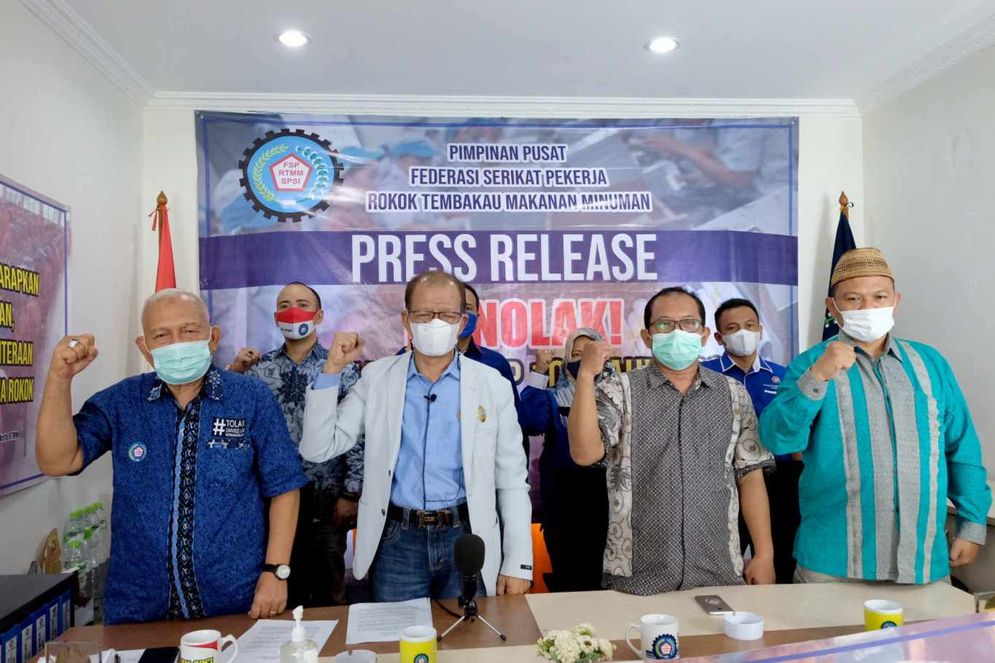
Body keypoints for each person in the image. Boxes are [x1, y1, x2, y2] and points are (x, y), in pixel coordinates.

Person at [36, 289, 306, 624]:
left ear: (212, 338)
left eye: (189, 331)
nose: (177, 343)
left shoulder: (250, 398)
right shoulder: (122, 402)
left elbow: (284, 485)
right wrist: (59, 378)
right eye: (161, 335)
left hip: (238, 600)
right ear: (145, 348)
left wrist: (276, 571)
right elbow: (59, 460)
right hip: (138, 607)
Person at [760, 248, 992, 584]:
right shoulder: (810, 364)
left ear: (896, 301)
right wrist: (818, 376)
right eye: (853, 299)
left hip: (922, 561)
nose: (868, 307)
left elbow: (961, 447)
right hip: (834, 565)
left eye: (879, 297)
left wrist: (972, 524)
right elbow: (778, 438)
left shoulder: (930, 364)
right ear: (832, 308)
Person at [300, 271, 533, 601]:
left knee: (468, 633)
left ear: (462, 321)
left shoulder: (491, 384)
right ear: (406, 320)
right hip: (397, 540)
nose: (435, 323)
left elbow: (512, 479)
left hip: (467, 538)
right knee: (399, 634)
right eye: (424, 314)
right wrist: (332, 370)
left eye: (447, 314)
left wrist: (519, 561)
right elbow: (318, 447)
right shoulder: (377, 377)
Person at [568, 286, 776, 594]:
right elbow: (584, 453)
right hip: (637, 576)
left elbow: (750, 476)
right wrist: (586, 376)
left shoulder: (733, 394)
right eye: (664, 324)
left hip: (718, 570)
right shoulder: (619, 390)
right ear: (647, 336)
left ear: (704, 335)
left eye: (688, 323)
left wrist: (764, 554)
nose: (677, 332)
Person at [230, 282, 363, 607]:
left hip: (326, 502)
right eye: (285, 305)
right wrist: (234, 371)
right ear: (276, 317)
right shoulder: (258, 371)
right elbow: (233, 425)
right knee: (279, 594)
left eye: (302, 304)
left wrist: (351, 493)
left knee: (328, 595)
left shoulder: (342, 368)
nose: (293, 311)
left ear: (318, 316)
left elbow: (358, 436)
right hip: (270, 503)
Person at [702, 298, 797, 583]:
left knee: (779, 561)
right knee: (721, 564)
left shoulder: (782, 375)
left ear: (760, 330)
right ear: (719, 337)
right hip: (723, 481)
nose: (743, 332)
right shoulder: (706, 375)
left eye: (749, 325)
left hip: (778, 479)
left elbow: (795, 429)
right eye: (732, 328)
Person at [520, 329, 609, 592]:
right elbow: (529, 422)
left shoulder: (618, 395)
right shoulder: (554, 397)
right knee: (568, 577)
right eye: (577, 354)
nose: (584, 360)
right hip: (563, 502)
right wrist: (540, 370)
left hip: (608, 497)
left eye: (590, 353)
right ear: (568, 358)